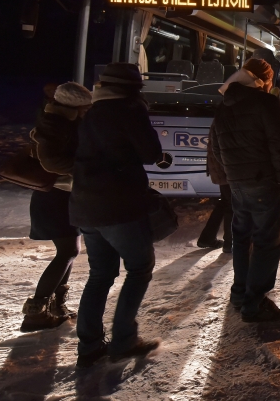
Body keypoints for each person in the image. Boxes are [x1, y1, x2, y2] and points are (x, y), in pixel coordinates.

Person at [70, 63, 163, 368]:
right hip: (118, 205)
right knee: (139, 267)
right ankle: (124, 340)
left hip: (85, 205)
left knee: (100, 274)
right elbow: (150, 153)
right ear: (133, 88)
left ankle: (89, 346)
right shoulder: (129, 109)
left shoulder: (91, 112)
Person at [212, 59, 280, 323]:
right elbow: (278, 144)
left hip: (237, 184)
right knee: (267, 242)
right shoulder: (265, 103)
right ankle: (254, 303)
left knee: (242, 238)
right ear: (263, 80)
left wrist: (233, 174)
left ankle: (239, 292)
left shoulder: (224, 105)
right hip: (263, 181)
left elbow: (215, 147)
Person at [22, 81, 90, 333]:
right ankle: (36, 311)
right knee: (67, 251)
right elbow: (52, 163)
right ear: (74, 106)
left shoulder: (61, 123)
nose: (87, 111)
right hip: (55, 196)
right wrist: (87, 165)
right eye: (84, 107)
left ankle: (54, 306)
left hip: (61, 195)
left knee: (70, 250)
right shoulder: (55, 125)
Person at [197, 119, 232, 253]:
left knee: (225, 202)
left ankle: (207, 238)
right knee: (231, 205)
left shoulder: (222, 114)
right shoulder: (229, 115)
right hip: (226, 167)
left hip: (219, 166)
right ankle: (230, 243)